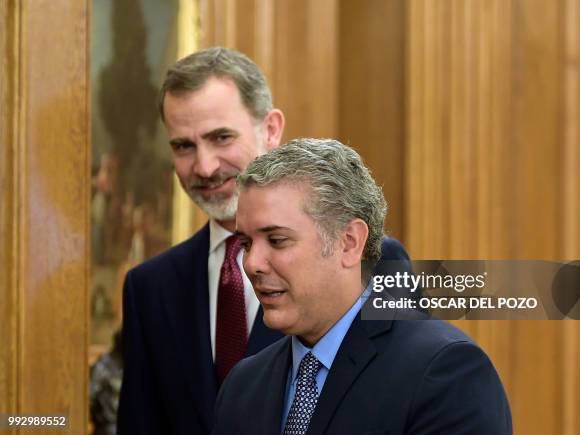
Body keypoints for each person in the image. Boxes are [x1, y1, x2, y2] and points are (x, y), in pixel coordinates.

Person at [117, 48, 413, 435]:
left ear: (270, 129)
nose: (204, 166)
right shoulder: (150, 287)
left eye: (221, 137)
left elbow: (406, 387)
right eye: (183, 146)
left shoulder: (377, 259)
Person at [214, 138, 512, 435]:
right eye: (246, 244)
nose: (252, 263)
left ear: (349, 243)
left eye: (277, 240)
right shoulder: (243, 386)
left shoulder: (444, 372)